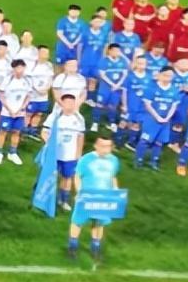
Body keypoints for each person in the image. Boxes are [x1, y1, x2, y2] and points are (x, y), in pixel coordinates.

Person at [67, 134, 121, 262]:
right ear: (96, 145)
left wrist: (116, 191)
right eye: (102, 146)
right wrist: (79, 192)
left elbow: (113, 176)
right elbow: (77, 176)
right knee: (78, 221)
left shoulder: (114, 160)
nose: (105, 149)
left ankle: (95, 248)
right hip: (87, 196)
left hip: (104, 197)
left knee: (99, 222)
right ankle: (72, 247)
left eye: (108, 146)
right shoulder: (86, 159)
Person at [43, 94, 85, 211]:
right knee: (50, 176)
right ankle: (46, 198)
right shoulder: (54, 117)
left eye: (72, 103)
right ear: (62, 104)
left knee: (67, 177)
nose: (70, 106)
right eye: (67, 103)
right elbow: (44, 132)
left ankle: (63, 200)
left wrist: (78, 154)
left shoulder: (79, 118)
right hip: (54, 154)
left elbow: (80, 137)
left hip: (70, 155)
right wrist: (50, 145)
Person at [135, 67, 179, 170]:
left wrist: (167, 118)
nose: (167, 78)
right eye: (165, 75)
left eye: (170, 76)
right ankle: (138, 161)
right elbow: (147, 105)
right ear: (159, 75)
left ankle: (154, 162)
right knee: (145, 140)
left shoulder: (174, 90)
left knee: (159, 142)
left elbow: (174, 106)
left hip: (165, 121)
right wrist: (157, 117)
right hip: (151, 119)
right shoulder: (151, 88)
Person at [0, 60, 31, 165]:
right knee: (3, 131)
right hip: (7, 112)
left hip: (20, 113)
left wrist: (22, 108)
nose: (20, 70)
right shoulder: (7, 80)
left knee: (16, 132)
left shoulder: (27, 81)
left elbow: (28, 96)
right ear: (13, 69)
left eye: (22, 68)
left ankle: (12, 153)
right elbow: (1, 96)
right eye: (18, 68)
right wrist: (9, 109)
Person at [91, 44, 128, 133]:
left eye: (118, 51)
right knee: (99, 104)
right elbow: (102, 75)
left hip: (116, 88)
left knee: (113, 106)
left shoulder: (123, 61)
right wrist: (112, 84)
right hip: (105, 88)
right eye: (114, 51)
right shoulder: (104, 61)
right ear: (110, 51)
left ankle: (112, 122)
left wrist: (118, 85)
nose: (117, 53)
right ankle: (95, 122)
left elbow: (124, 74)